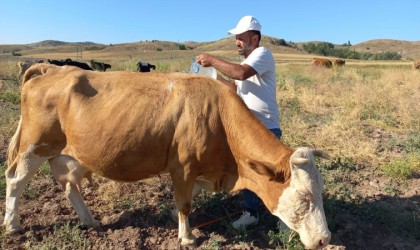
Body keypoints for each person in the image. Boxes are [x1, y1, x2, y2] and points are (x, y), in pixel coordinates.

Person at [195, 15, 282, 229]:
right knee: (249, 172)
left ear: (254, 38)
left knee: (272, 175)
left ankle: (284, 217)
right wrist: (210, 76)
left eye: (241, 38)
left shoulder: (262, 54)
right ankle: (251, 213)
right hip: (249, 129)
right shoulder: (245, 62)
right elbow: (233, 88)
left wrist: (213, 60)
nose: (237, 42)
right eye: (236, 38)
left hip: (266, 127)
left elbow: (241, 75)